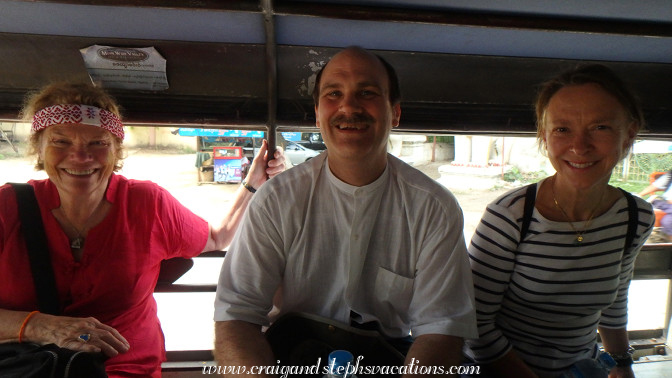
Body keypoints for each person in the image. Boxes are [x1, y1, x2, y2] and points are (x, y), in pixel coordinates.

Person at [213, 46, 477, 376]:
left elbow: (441, 328)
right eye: (333, 94)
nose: (348, 106)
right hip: (291, 355)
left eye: (366, 93)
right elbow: (236, 315)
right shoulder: (276, 200)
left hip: (388, 358)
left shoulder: (434, 208)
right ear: (317, 112)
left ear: (394, 113)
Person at [0, 82, 286, 377]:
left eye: (98, 143)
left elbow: (217, 237)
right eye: (61, 142)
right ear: (39, 147)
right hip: (28, 369)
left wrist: (254, 183)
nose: (80, 157)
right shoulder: (6, 209)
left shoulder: (145, 204)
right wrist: (38, 326)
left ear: (116, 150)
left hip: (125, 370)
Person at [464, 64, 654, 378]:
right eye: (562, 129)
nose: (579, 146)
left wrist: (621, 362)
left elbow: (615, 298)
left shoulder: (636, 218)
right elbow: (473, 325)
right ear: (544, 135)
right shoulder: (511, 216)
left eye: (600, 127)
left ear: (629, 134)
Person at [637, 172, 672, 241]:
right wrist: (639, 195)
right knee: (642, 208)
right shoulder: (670, 175)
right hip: (665, 204)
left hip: (667, 207)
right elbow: (655, 185)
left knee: (667, 221)